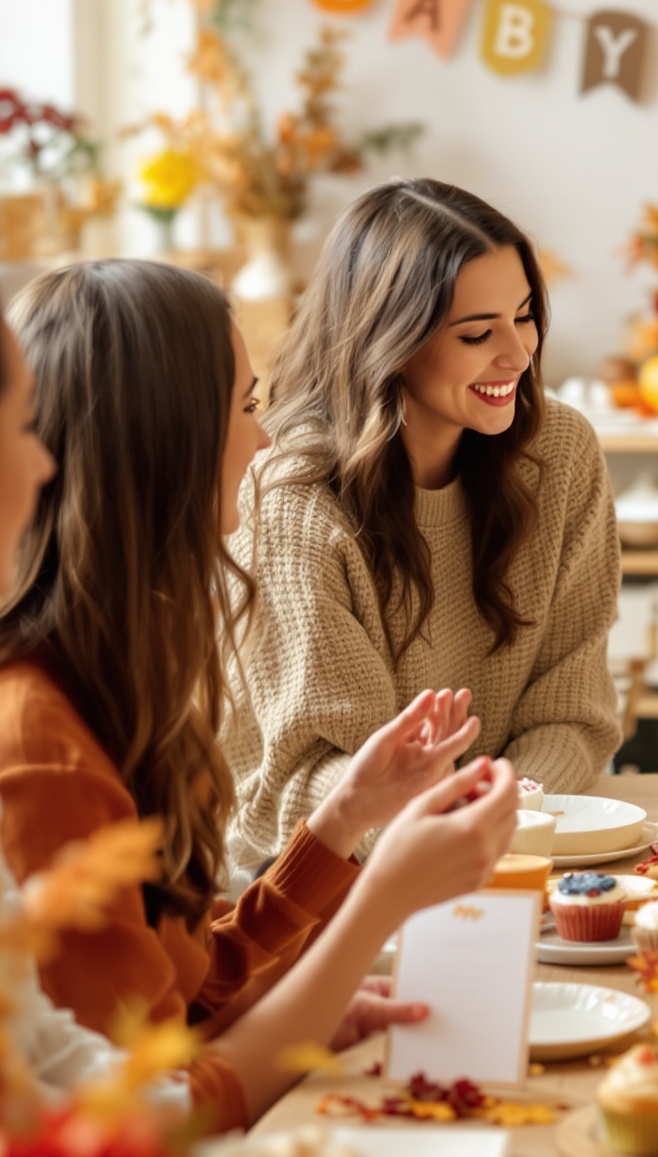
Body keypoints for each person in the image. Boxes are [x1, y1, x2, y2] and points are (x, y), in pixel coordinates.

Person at [0, 234, 515, 1129]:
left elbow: (186, 995)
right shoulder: (37, 746)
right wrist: (379, 899)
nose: (264, 436)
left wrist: (342, 822)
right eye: (245, 404)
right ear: (166, 444)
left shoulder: (112, 675)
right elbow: (137, 1116)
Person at [223, 179, 622, 870]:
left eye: (525, 316)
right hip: (312, 873)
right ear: (391, 341)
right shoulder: (292, 499)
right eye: (477, 333)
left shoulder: (559, 452)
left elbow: (570, 711)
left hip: (503, 846)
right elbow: (322, 778)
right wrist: (474, 827)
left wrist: (505, 815)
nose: (519, 354)